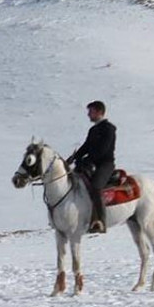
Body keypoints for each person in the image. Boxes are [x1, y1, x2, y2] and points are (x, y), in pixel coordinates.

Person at [65, 100, 115, 234]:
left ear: (99, 112)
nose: (88, 114)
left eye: (91, 111)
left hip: (105, 165)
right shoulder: (93, 130)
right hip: (91, 163)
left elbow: (103, 150)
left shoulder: (109, 129)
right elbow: (86, 147)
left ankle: (100, 222)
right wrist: (73, 158)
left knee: (96, 186)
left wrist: (87, 160)